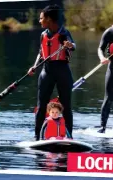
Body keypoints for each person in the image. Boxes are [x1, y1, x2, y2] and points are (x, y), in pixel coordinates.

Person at [28, 4, 76, 140]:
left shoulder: (64, 33)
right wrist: (34, 66)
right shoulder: (43, 35)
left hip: (63, 72)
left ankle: (69, 137)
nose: (40, 21)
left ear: (49, 19)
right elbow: (40, 52)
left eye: (41, 18)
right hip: (46, 72)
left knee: (66, 105)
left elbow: (73, 46)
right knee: (41, 106)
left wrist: (69, 45)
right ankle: (37, 137)